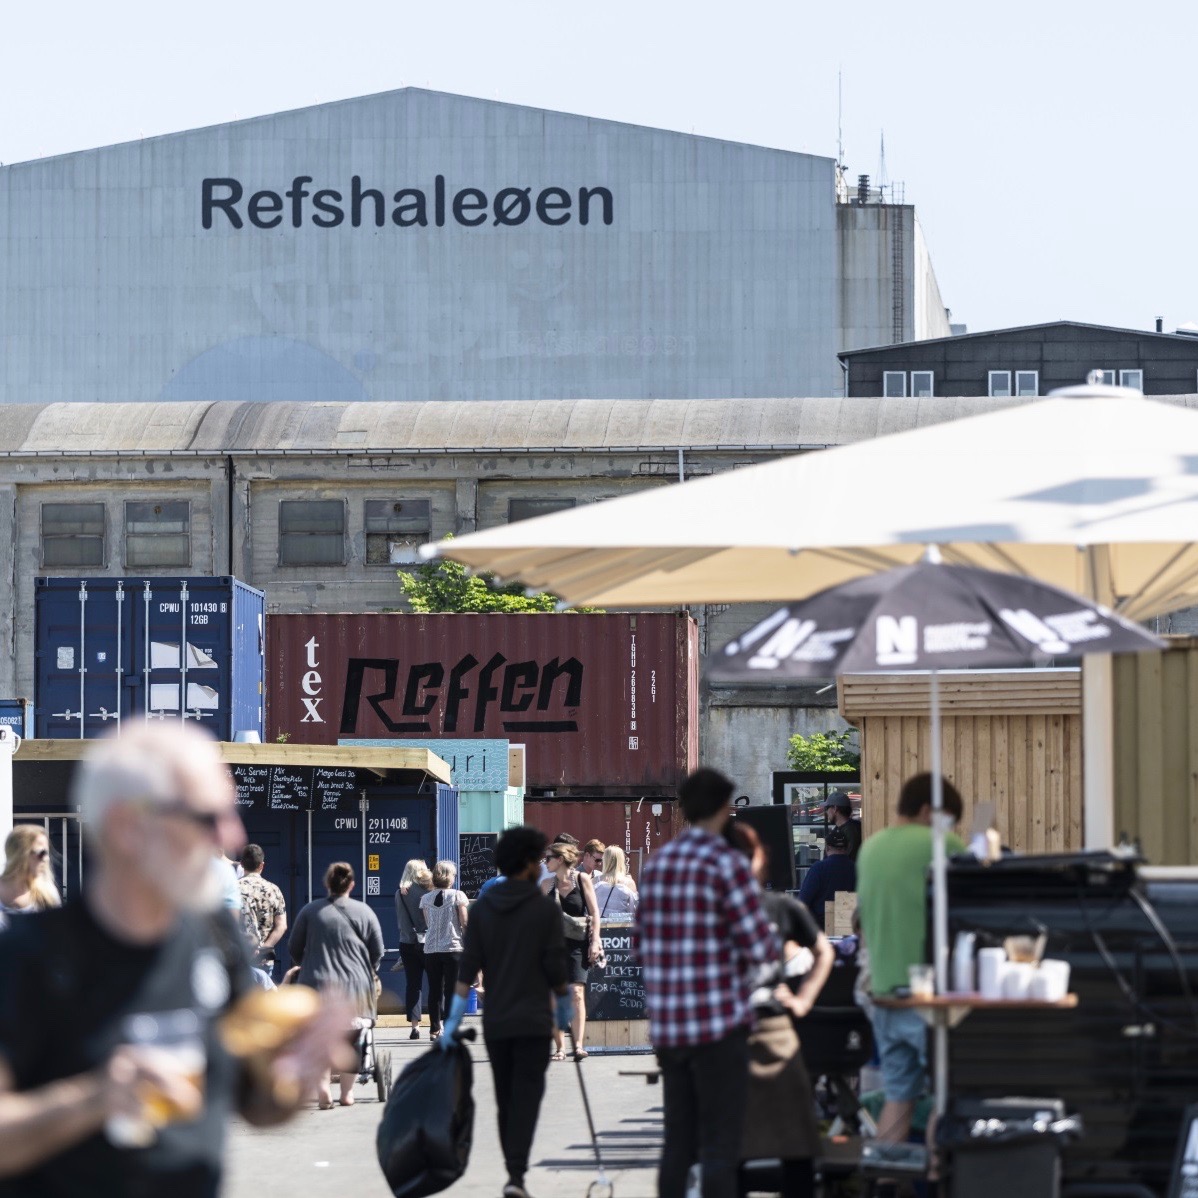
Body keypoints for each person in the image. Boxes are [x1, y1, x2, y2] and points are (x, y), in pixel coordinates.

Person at [0, 720, 354, 1195]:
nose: (231, 838)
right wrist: (95, 1099)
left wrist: (295, 1072)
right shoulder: (26, 956)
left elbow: (256, 1104)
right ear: (129, 827)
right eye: (209, 818)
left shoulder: (213, 933)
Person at [634, 767, 780, 1198]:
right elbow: (759, 947)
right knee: (720, 1142)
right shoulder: (727, 863)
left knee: (678, 1140)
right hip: (719, 1026)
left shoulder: (658, 864)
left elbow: (640, 947)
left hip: (669, 1028)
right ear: (724, 808)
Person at [440, 826, 572, 1198]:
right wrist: (564, 1013)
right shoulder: (544, 910)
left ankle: (512, 1168)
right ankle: (517, 1172)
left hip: (498, 1020)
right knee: (527, 1096)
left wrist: (451, 1023)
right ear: (530, 864)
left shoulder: (483, 910)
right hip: (534, 1022)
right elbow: (557, 969)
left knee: (504, 1097)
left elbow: (467, 970)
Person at [856, 772, 967, 1145]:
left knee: (898, 1097)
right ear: (927, 810)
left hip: (884, 992)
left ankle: (887, 1183)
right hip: (927, 996)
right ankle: (938, 1178)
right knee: (947, 1099)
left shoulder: (870, 848)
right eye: (948, 817)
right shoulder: (941, 842)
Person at [725, 820, 833, 1198]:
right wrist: (801, 1000)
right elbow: (824, 953)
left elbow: (824, 951)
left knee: (781, 1145)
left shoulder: (775, 907)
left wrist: (802, 1000)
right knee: (789, 1147)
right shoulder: (774, 908)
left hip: (748, 1033)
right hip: (750, 1034)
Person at [289, 861, 384, 1108]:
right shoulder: (365, 912)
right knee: (352, 1041)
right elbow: (378, 951)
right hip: (356, 990)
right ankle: (347, 1094)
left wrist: (307, 964)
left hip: (316, 986)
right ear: (352, 884)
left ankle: (323, 1092)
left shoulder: (310, 912)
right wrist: (368, 970)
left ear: (326, 884)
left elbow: (294, 948)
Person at [540, 842, 601, 1061]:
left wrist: (595, 942)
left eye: (548, 858)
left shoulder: (581, 879)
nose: (545, 862)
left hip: (577, 945)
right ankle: (559, 1048)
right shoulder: (546, 885)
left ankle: (578, 1045)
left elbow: (594, 913)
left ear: (561, 859)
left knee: (576, 993)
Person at [419, 861, 469, 1043]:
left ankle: (434, 1029)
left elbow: (428, 923)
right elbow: (464, 922)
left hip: (431, 948)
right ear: (450, 877)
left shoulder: (425, 899)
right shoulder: (458, 895)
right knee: (451, 989)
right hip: (453, 947)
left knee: (434, 989)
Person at [395, 859, 433, 1040]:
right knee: (435, 983)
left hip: (407, 943)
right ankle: (436, 1024)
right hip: (428, 942)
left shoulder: (400, 893)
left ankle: (415, 1027)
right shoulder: (428, 891)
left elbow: (401, 920)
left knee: (413, 985)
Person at [237, 844, 287, 982]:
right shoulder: (274, 890)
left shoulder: (233, 889)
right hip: (264, 960)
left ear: (241, 865)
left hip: (240, 959)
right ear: (262, 865)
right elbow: (282, 926)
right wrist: (263, 948)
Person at [797, 827, 857, 932]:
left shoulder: (818, 868)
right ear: (847, 849)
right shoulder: (856, 868)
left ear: (827, 848)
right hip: (847, 928)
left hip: (820, 930)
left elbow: (803, 901)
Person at [0, 825, 61, 928]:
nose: (46, 859)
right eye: (41, 853)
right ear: (20, 854)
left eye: (47, 853)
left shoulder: (48, 895)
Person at [593, 845, 639, 918]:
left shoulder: (595, 881)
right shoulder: (629, 883)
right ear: (621, 860)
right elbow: (633, 910)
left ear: (605, 860)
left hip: (599, 924)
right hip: (621, 926)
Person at [824, 791, 862, 860]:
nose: (826, 812)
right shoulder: (846, 828)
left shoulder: (851, 831)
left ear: (835, 809)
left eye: (827, 808)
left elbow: (849, 860)